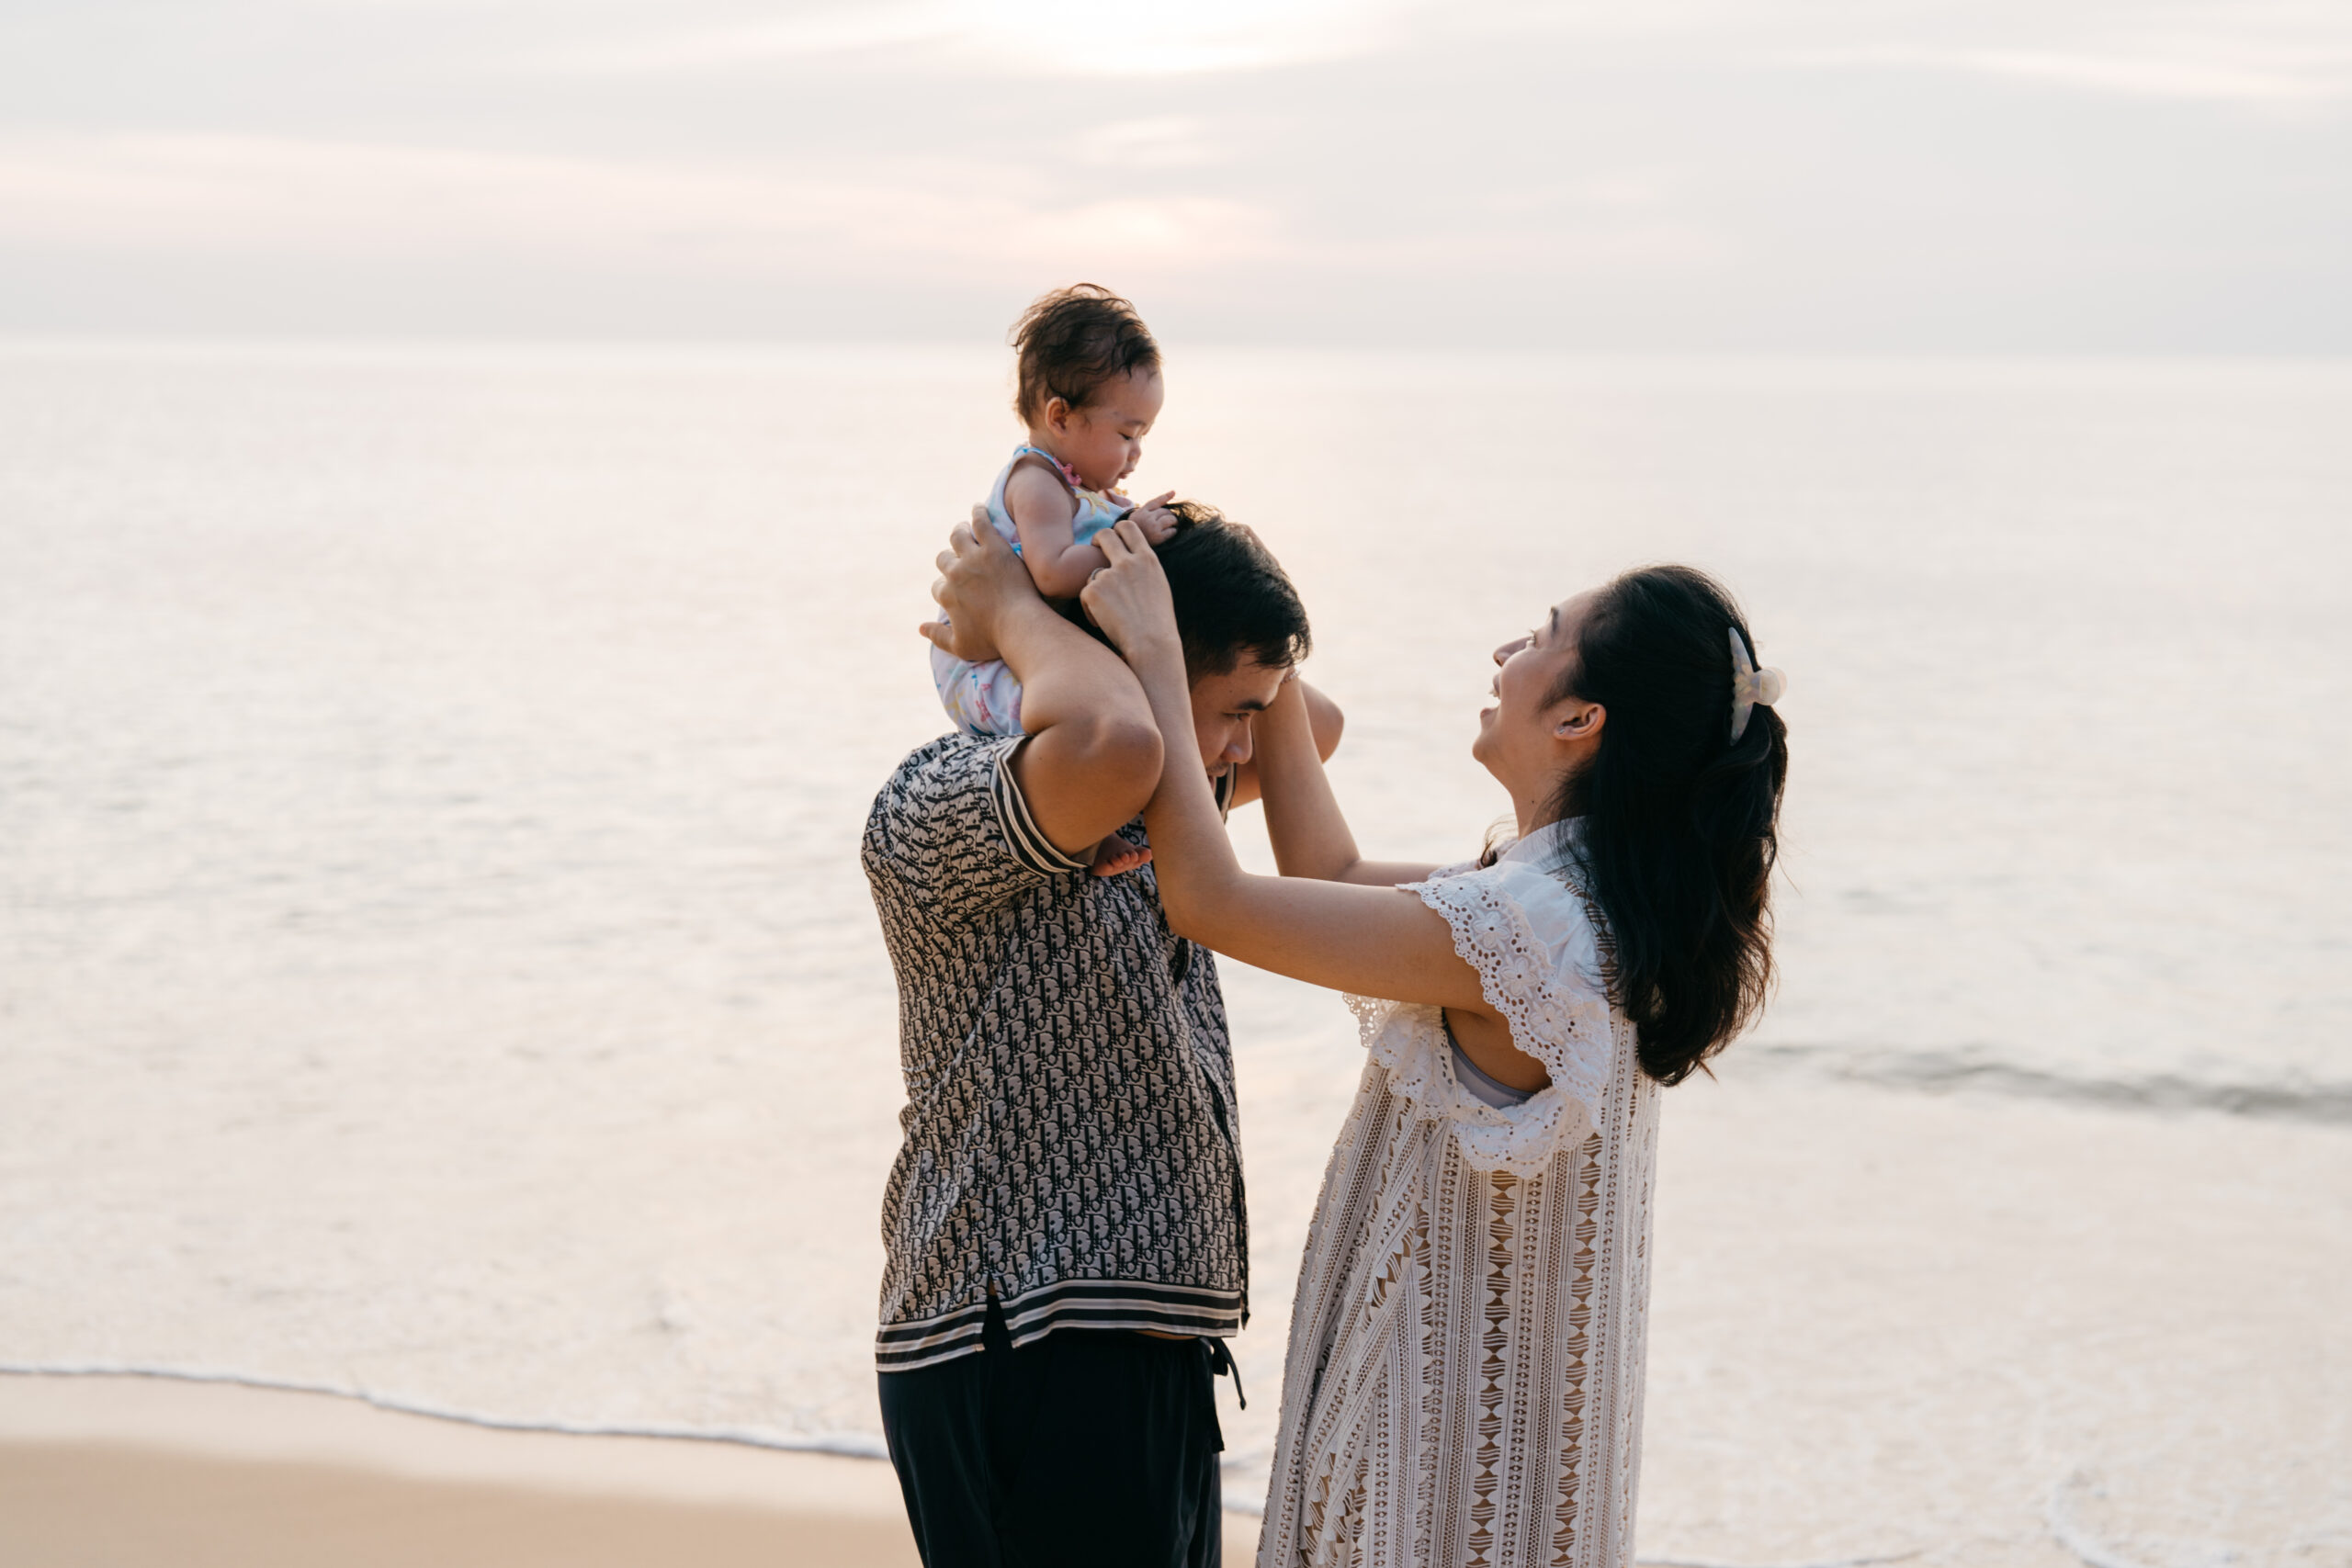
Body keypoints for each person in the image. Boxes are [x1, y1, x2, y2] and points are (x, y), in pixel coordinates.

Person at [1077, 516, 1791, 1568]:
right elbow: (1323, 864)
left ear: (1581, 717)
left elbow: (1210, 899)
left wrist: (1154, 651)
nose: (1507, 653)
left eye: (1543, 636)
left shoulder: (1539, 925)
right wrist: (1268, 655)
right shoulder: (1571, 903)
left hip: (1433, 1456)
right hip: (1483, 1452)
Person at [867, 502, 1339, 1567]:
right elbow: (1119, 738)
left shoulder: (1163, 800)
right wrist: (1016, 606)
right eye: (1233, 711)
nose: (1243, 749)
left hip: (1137, 1346)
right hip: (1024, 1331)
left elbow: (1317, 733)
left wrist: (1175, 613)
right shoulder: (948, 801)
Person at [930, 285, 1179, 751]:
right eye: (1127, 434)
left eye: (1144, 435)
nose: (1137, 452)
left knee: (1121, 711)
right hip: (988, 671)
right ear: (1060, 417)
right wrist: (1131, 535)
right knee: (1102, 723)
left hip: (1029, 654)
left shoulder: (1084, 487)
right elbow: (1052, 573)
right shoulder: (1037, 482)